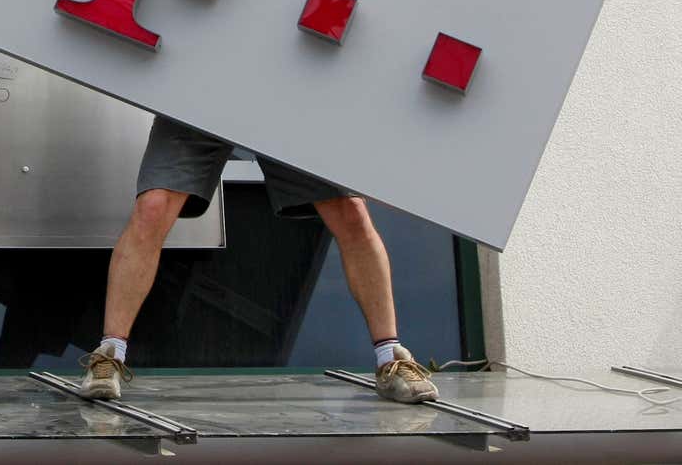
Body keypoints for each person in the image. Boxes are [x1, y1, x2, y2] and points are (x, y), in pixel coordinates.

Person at [79, 118, 440, 404]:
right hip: (201, 83)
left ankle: (390, 359)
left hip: (287, 91)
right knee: (153, 206)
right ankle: (110, 354)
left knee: (351, 212)